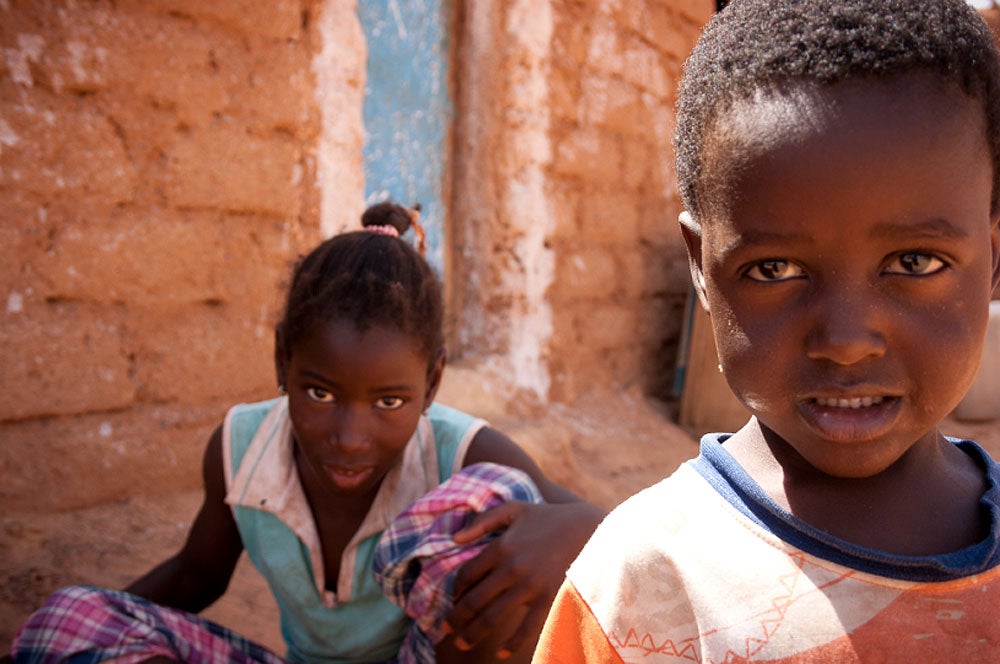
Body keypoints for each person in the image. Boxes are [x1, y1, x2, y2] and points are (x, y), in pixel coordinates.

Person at [533, 0, 1000, 661]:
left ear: (994, 259)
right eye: (774, 268)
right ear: (702, 267)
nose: (845, 339)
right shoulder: (648, 580)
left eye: (914, 262)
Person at [11, 202, 604, 664]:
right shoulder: (240, 449)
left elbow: (622, 537)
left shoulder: (460, 448)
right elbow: (198, 572)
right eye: (319, 393)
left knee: (494, 501)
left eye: (389, 401)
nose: (348, 436)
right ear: (281, 363)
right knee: (70, 616)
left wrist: (577, 529)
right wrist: (98, 628)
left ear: (432, 382)